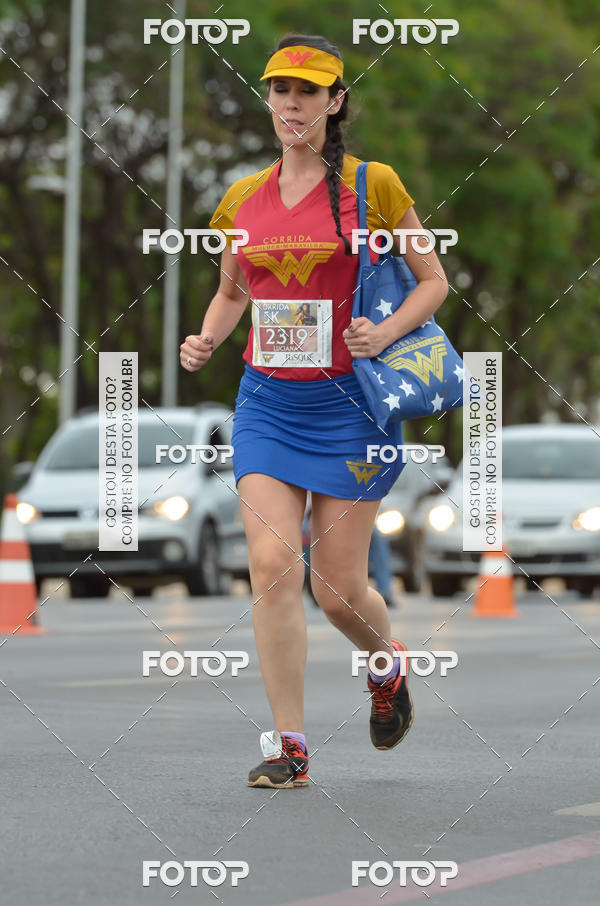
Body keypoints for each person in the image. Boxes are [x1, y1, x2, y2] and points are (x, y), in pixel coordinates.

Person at [180, 34, 449, 788]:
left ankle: (386, 666)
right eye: (279, 91)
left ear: (335, 103)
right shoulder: (240, 199)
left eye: (308, 91)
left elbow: (433, 280)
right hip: (268, 402)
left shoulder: (376, 186)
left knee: (336, 590)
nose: (291, 104)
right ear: (268, 101)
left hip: (350, 408)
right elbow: (234, 293)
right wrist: (206, 338)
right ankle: (288, 745)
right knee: (270, 565)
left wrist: (385, 331)